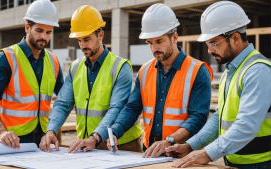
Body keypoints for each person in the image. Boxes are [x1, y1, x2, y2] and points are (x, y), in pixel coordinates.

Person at [167, 1, 271, 168]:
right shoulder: (231, 70)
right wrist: (191, 146)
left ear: (235, 38)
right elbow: (219, 119)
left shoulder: (257, 71)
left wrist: (207, 153)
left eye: (214, 43)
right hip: (236, 163)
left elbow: (246, 126)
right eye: (208, 44)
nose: (209, 50)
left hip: (259, 164)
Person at [107, 3, 213, 158]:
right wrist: (115, 131)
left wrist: (169, 141)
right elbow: (132, 108)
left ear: (174, 37)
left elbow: (198, 118)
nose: (153, 48)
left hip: (182, 155)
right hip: (149, 153)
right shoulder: (144, 71)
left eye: (159, 41)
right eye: (150, 42)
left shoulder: (197, 71)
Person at [39, 5, 142, 153]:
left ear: (100, 35)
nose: (82, 45)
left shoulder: (120, 67)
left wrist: (95, 137)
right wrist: (51, 130)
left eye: (86, 39)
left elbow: (116, 109)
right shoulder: (75, 68)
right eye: (79, 40)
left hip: (120, 144)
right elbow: (62, 104)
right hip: (87, 145)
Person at [0, 0, 64, 149]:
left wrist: (54, 132)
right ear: (27, 27)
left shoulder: (54, 61)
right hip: (9, 140)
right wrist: (1, 131)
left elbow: (63, 100)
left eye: (48, 32)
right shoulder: (6, 58)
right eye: (39, 30)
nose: (44, 37)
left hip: (40, 140)